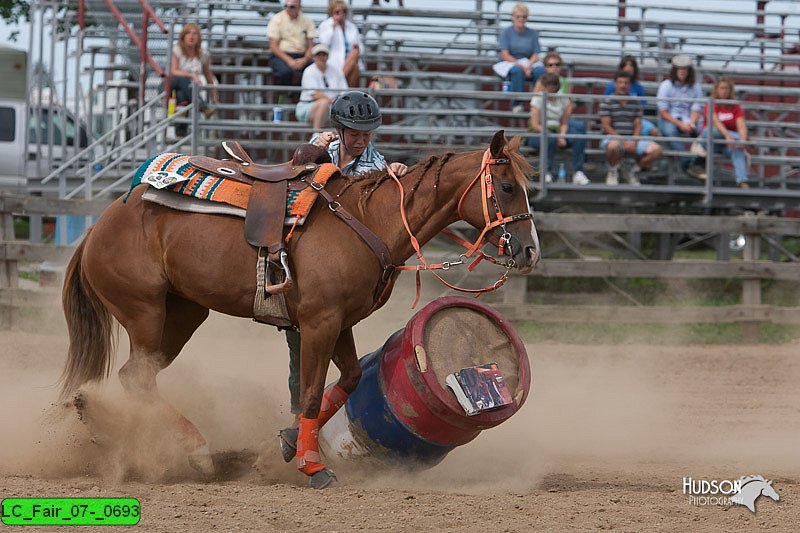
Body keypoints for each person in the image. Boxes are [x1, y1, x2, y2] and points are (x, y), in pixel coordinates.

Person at [283, 91, 408, 418]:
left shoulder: (378, 164)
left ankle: (303, 421)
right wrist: (315, 150)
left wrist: (394, 177)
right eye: (355, 133)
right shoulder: (322, 146)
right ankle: (302, 417)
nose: (361, 140)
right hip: (310, 251)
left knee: (308, 347)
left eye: (367, 134)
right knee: (301, 352)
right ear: (340, 130)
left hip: (340, 263)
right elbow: (295, 176)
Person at [599, 70, 663, 185]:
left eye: (626, 83)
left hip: (632, 138)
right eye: (620, 82)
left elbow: (638, 123)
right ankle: (613, 171)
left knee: (657, 150)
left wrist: (634, 140)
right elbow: (606, 126)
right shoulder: (607, 102)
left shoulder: (635, 102)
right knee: (613, 146)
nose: (623, 85)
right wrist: (622, 140)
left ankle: (632, 171)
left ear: (629, 85)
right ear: (615, 84)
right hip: (612, 138)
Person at [527, 72, 589, 184]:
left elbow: (564, 123)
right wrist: (554, 135)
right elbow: (535, 125)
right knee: (549, 139)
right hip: (539, 133)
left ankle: (578, 172)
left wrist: (561, 136)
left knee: (578, 136)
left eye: (552, 91)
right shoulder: (537, 99)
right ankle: (546, 172)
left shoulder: (562, 98)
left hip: (558, 130)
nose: (550, 93)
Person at [690, 78, 750, 188]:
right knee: (709, 130)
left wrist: (742, 140)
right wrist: (730, 136)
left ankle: (742, 181)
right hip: (710, 142)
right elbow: (715, 121)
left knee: (738, 148)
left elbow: (741, 125)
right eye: (721, 88)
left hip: (728, 144)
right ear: (716, 90)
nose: (724, 91)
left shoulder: (735, 106)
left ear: (730, 90)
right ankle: (736, 139)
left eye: (727, 88)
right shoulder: (711, 103)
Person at [656, 54, 704, 175]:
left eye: (685, 68)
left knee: (705, 131)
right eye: (679, 68)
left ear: (689, 71)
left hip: (689, 120)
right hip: (670, 120)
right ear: (675, 70)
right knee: (670, 132)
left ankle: (698, 164)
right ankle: (687, 164)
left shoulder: (696, 87)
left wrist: (692, 123)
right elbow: (663, 112)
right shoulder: (666, 85)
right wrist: (680, 124)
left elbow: (696, 108)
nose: (682, 71)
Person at [493, 3, 545, 111]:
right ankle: (517, 103)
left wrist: (529, 65)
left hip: (528, 62)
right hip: (511, 62)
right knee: (517, 71)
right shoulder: (506, 33)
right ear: (513, 17)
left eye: (524, 17)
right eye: (518, 16)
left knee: (540, 71)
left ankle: (537, 104)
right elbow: (504, 54)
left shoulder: (532, 34)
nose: (521, 19)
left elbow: (535, 54)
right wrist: (521, 65)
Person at [604, 55, 660, 137]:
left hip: (634, 118)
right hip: (615, 119)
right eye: (626, 65)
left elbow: (641, 108)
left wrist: (635, 121)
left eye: (631, 65)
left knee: (654, 131)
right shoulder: (612, 85)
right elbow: (605, 105)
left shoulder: (638, 87)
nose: (628, 68)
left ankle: (643, 147)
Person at [296, 44, 348, 130]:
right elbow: (315, 95)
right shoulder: (309, 71)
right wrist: (333, 103)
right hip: (307, 106)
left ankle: (336, 138)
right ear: (314, 57)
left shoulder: (337, 71)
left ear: (328, 56)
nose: (321, 57)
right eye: (318, 55)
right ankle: (316, 133)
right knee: (324, 103)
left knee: (337, 108)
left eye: (324, 55)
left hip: (332, 107)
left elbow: (344, 92)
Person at [169, 23, 219, 113]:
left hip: (189, 88)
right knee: (183, 80)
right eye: (188, 33)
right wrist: (191, 75)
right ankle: (203, 107)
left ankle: (181, 124)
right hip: (173, 84)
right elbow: (174, 71)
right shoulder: (177, 50)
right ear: (183, 36)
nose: (191, 36)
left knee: (182, 95)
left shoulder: (203, 54)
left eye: (195, 34)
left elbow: (208, 75)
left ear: (199, 37)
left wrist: (214, 95)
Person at [267, 1, 315, 86]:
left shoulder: (307, 21)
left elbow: (311, 46)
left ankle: (295, 93)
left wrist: (304, 60)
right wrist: (289, 60)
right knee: (285, 72)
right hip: (281, 56)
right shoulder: (277, 19)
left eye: (292, 6)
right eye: (286, 6)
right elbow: (273, 46)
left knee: (314, 69)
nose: (288, 8)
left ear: (299, 6)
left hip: (301, 56)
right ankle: (291, 93)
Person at [317, 0, 363, 87]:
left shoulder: (352, 27)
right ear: (332, 13)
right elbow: (324, 44)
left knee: (355, 58)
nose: (341, 14)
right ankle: (342, 90)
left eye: (344, 11)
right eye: (337, 12)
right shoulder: (326, 25)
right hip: (334, 62)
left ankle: (337, 86)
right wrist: (333, 27)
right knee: (355, 63)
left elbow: (361, 47)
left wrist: (357, 47)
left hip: (350, 61)